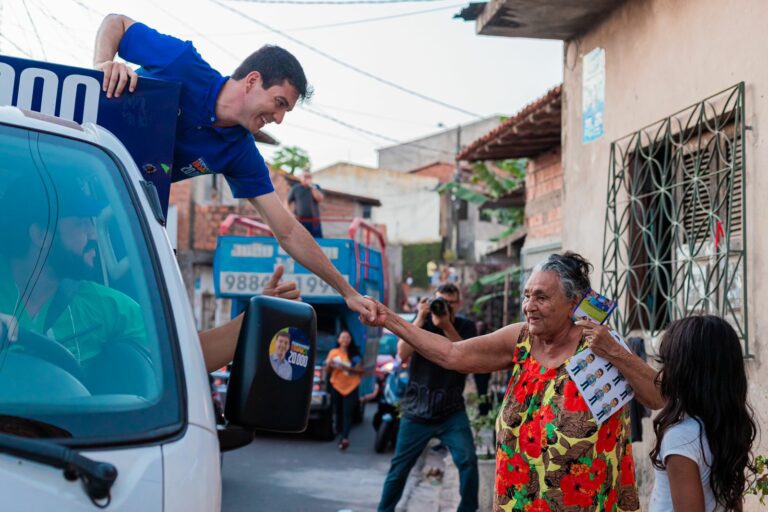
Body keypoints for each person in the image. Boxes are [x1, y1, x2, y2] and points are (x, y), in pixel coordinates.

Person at [92, 14, 376, 372]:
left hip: (120, 223)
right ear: (253, 81)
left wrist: (347, 292)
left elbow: (287, 230)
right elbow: (115, 23)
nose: (279, 118)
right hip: (75, 180)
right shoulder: (184, 63)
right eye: (279, 103)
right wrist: (103, 64)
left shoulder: (239, 151)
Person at [363, 252, 665, 511]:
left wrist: (615, 353)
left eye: (542, 297)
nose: (529, 306)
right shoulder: (521, 339)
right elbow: (452, 354)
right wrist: (389, 319)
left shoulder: (600, 345)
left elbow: (658, 397)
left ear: (573, 302)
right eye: (527, 295)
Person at [378, 283, 478, 512]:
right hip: (416, 410)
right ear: (432, 301)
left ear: (458, 304)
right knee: (399, 470)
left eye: (450, 303)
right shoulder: (420, 325)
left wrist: (446, 326)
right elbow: (401, 354)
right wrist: (420, 319)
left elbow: (468, 359)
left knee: (468, 462)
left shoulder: (466, 327)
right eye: (439, 302)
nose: (444, 307)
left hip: (451, 410)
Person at [648, 315, 757, 512]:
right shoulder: (723, 426)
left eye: (668, 365)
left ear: (686, 374)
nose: (662, 374)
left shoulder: (680, 437)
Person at [325, 330, 363, 450]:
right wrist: (329, 364)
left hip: (352, 387)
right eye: (343, 337)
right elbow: (327, 371)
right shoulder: (333, 353)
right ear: (338, 340)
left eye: (347, 337)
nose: (345, 339)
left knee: (347, 413)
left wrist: (343, 366)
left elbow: (360, 370)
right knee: (339, 412)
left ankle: (345, 438)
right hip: (336, 386)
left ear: (350, 340)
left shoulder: (355, 354)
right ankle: (340, 433)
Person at [286, 169, 324, 238]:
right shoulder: (296, 188)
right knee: (300, 241)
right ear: (301, 177)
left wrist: (312, 187)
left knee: (317, 241)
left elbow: (319, 199)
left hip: (314, 222)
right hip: (300, 221)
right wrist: (291, 215)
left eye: (309, 176)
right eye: (305, 176)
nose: (307, 178)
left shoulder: (316, 187)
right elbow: (286, 203)